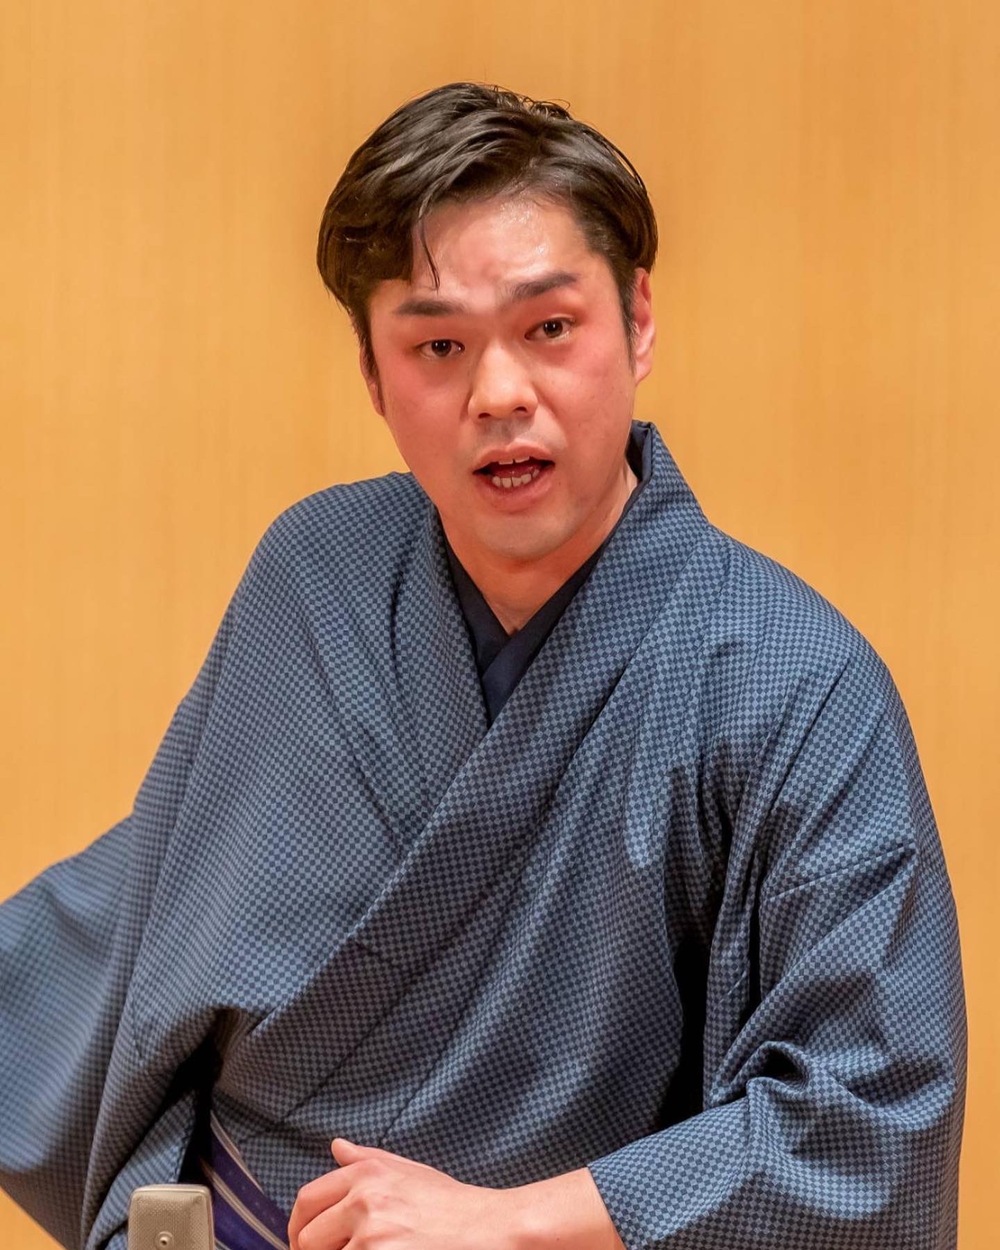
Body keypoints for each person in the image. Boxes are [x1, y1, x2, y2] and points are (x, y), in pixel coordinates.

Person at [0, 83, 964, 1250]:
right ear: (372, 373)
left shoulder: (795, 679)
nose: (500, 393)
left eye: (549, 328)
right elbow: (147, 907)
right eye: (438, 346)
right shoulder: (317, 570)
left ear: (638, 320)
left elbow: (867, 1117)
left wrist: (508, 1220)